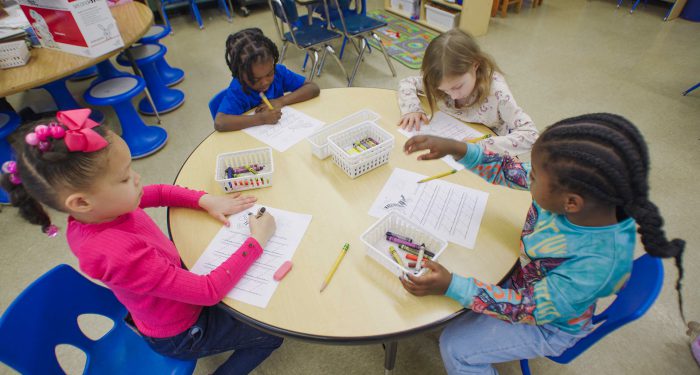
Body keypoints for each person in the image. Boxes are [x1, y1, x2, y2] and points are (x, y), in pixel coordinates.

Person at [1, 109, 283, 374]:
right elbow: (208, 291)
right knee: (271, 335)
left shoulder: (100, 211)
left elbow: (159, 192)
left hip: (173, 300)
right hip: (182, 332)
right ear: (81, 201)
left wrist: (205, 200)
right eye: (124, 178)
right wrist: (257, 239)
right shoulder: (116, 253)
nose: (137, 179)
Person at [401, 113, 685, 374]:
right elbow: (507, 168)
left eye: (534, 176)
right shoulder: (572, 196)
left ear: (571, 202)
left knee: (456, 345)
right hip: (528, 280)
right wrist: (458, 149)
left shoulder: (595, 265)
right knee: (463, 275)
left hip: (549, 324)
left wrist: (453, 285)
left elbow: (528, 308)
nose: (528, 176)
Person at [398, 29, 538, 156]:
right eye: (444, 90)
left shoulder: (496, 91)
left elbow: (531, 135)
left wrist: (482, 146)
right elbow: (407, 82)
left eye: (457, 87)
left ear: (475, 65)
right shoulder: (443, 79)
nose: (453, 96)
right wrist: (412, 109)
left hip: (489, 153)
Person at [214, 28, 320, 132]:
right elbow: (220, 122)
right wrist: (261, 119)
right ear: (240, 74)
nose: (265, 82)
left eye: (269, 74)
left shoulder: (278, 72)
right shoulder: (239, 89)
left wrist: (280, 101)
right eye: (255, 79)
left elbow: (313, 88)